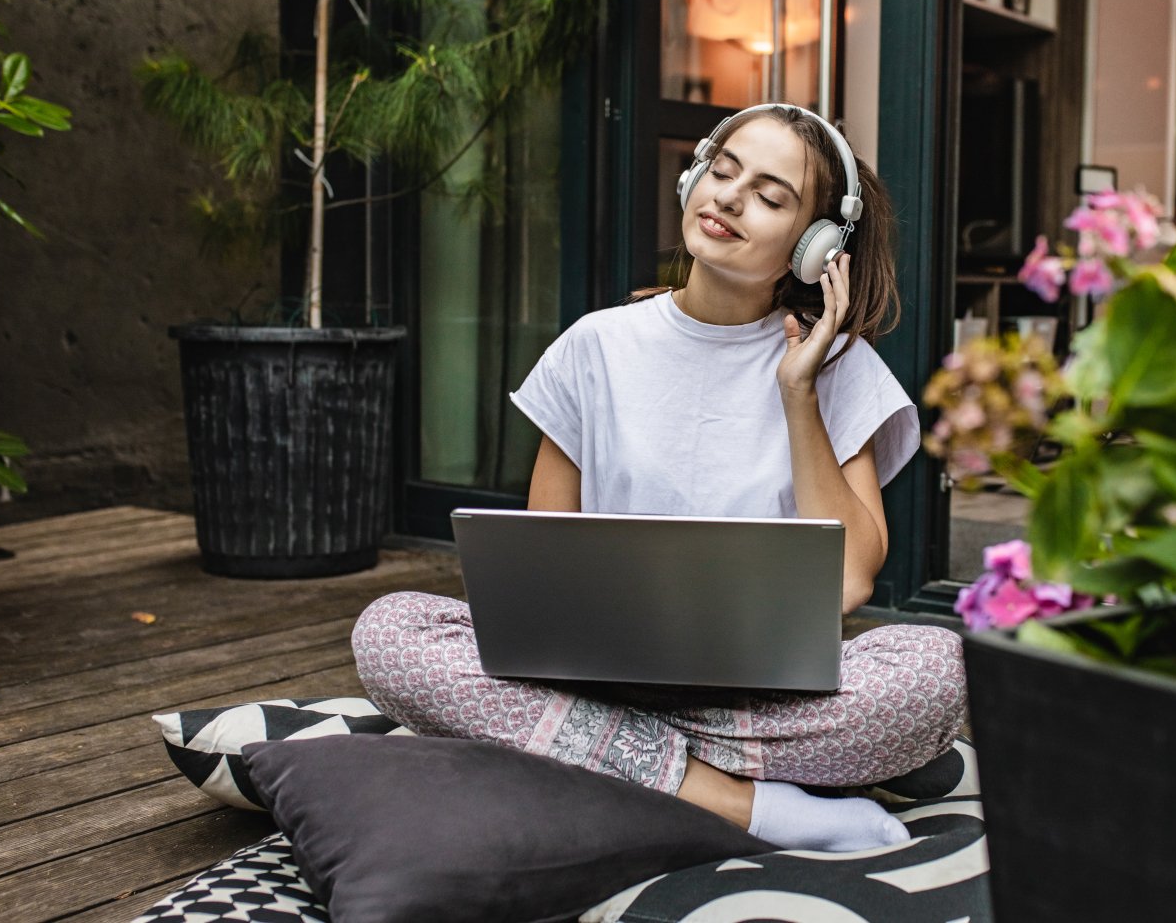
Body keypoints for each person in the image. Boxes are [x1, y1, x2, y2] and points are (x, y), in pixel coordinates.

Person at [353, 103, 967, 853]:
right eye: (723, 169)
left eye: (772, 197)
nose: (731, 197)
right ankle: (747, 805)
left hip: (763, 699)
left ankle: (587, 755)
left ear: (815, 247)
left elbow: (846, 583)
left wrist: (798, 394)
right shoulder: (595, 346)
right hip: (594, 679)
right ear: (693, 177)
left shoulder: (837, 370)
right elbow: (542, 566)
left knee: (934, 669)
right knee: (391, 632)